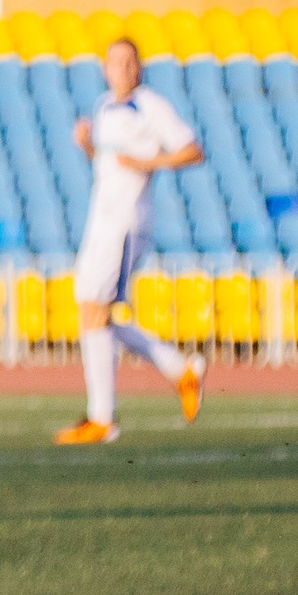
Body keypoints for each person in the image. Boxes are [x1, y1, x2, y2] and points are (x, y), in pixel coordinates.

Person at [54, 36, 207, 444]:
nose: (120, 68)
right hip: (100, 218)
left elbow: (193, 150)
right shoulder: (104, 106)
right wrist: (87, 145)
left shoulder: (150, 105)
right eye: (113, 62)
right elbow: (106, 162)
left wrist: (148, 162)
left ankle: (103, 418)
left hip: (125, 221)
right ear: (104, 68)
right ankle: (180, 370)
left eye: (128, 62)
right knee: (92, 310)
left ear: (138, 68)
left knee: (97, 313)